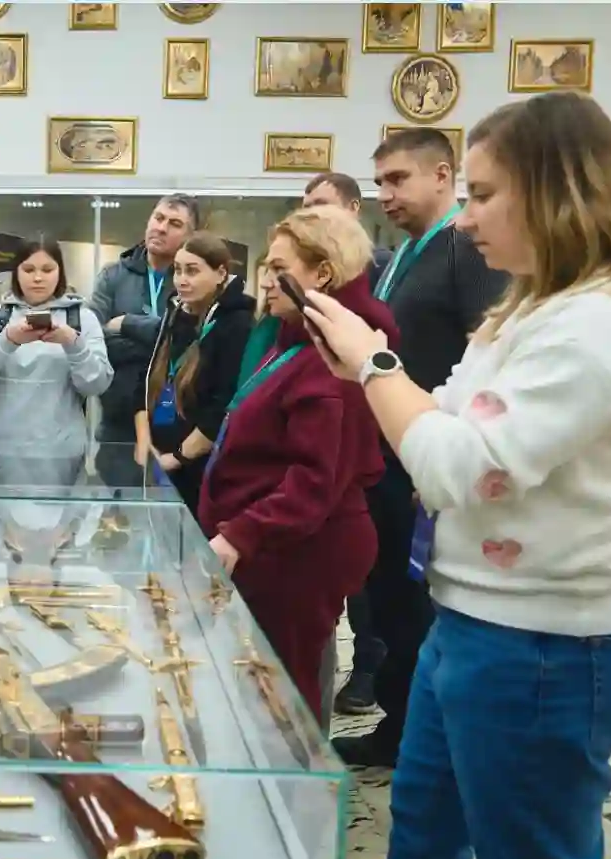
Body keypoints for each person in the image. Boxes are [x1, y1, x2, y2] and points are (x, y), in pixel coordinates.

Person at [304, 91, 611, 859]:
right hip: (473, 617)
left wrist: (372, 364)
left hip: (545, 642)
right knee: (422, 834)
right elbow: (445, 415)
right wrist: (383, 379)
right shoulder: (532, 309)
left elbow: (458, 466)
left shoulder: (600, 325)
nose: (465, 220)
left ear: (556, 192)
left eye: (485, 195)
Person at [332, 127, 509, 768]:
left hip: (426, 462)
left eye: (398, 179)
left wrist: (438, 453)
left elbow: (485, 362)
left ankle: (421, 739)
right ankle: (399, 727)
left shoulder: (466, 250)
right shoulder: (401, 254)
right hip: (389, 458)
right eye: (379, 182)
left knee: (416, 610)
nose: (385, 194)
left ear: (442, 175)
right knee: (388, 608)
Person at [199, 207, 399, 720]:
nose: (265, 281)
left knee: (285, 694)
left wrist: (241, 534)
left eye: (278, 268)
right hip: (274, 548)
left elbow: (314, 482)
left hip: (299, 554)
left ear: (322, 274)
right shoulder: (294, 339)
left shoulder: (334, 362)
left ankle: (290, 773)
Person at [303, 170, 391, 716]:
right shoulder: (302, 314)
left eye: (322, 204)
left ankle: (369, 668)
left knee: (366, 592)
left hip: (363, 467)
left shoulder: (369, 291)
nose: (310, 214)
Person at [0, 234, 112, 486]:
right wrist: (8, 339)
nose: (37, 278)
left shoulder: (83, 319)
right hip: (1, 451)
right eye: (28, 269)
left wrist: (73, 343)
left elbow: (97, 384)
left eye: (47, 269)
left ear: (60, 272)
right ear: (16, 272)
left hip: (62, 454)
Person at [134, 232, 252, 518]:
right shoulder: (175, 313)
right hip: (159, 460)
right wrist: (145, 443)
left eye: (192, 271)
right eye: (177, 270)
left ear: (220, 273)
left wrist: (176, 458)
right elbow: (145, 381)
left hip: (203, 470)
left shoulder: (237, 323)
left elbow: (222, 405)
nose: (181, 280)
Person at [89, 194, 198, 487]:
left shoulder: (191, 281)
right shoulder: (113, 276)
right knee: (119, 512)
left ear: (190, 236)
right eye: (158, 218)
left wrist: (127, 323)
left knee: (174, 512)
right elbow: (92, 336)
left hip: (177, 424)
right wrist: (160, 341)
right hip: (118, 423)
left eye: (174, 223)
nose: (161, 227)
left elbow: (190, 337)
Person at [303, 171, 393, 294]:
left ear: (353, 207)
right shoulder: (303, 263)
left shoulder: (382, 264)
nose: (312, 213)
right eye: (307, 207)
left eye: (322, 204)